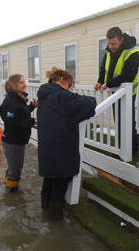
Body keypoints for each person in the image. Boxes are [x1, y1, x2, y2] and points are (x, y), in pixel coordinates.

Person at [37, 67, 96, 220]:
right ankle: (55, 223)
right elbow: (89, 104)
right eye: (69, 85)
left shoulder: (45, 95)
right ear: (62, 80)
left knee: (49, 179)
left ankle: (44, 209)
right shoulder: (61, 96)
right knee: (60, 183)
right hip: (61, 150)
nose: (70, 89)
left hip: (47, 148)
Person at [94, 27, 139, 154]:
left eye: (114, 43)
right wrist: (100, 81)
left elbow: (128, 76)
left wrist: (109, 83)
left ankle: (132, 151)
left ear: (121, 40)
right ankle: (122, 148)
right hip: (114, 92)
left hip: (128, 93)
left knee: (127, 121)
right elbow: (103, 68)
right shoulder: (108, 51)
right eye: (109, 43)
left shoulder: (132, 53)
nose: (111, 46)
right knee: (119, 121)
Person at [0, 74, 37, 192]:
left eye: (24, 82)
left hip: (17, 141)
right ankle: (12, 199)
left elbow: (21, 113)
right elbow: (12, 124)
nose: (24, 84)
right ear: (14, 85)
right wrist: (33, 121)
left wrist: (32, 106)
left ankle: (7, 185)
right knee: (15, 172)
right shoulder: (10, 103)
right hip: (12, 142)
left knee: (14, 167)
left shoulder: (17, 98)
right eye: (21, 82)